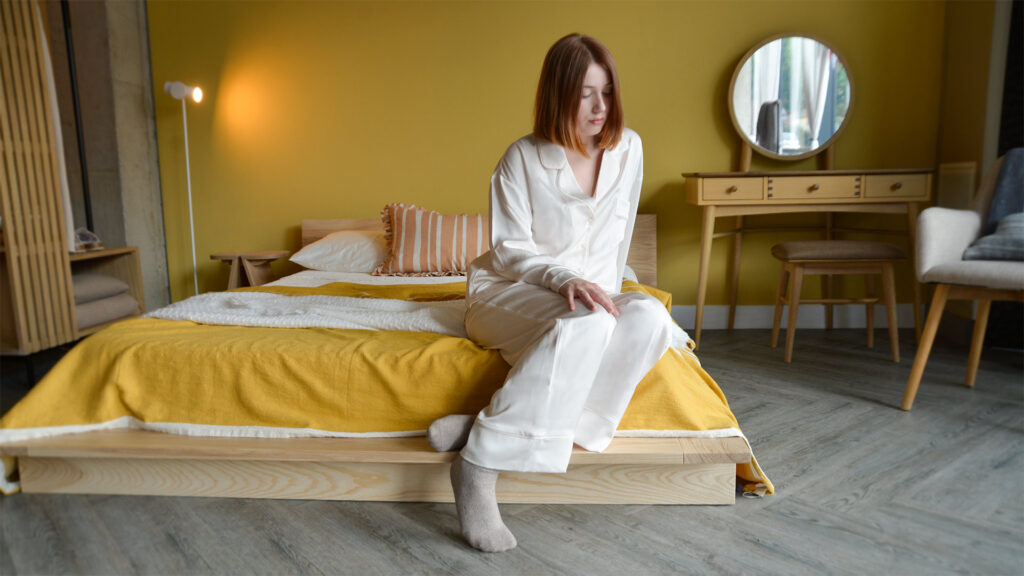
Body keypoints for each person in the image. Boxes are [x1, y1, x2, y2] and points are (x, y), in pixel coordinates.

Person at [427, 33, 673, 553]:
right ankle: (477, 466)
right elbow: (509, 250)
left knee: (650, 317)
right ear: (558, 94)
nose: (600, 107)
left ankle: (487, 425)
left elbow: (619, 240)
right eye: (585, 94)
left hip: (587, 297)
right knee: (591, 320)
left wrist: (611, 299)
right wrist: (566, 281)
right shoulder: (521, 158)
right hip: (506, 292)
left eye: (607, 92)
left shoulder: (629, 149)